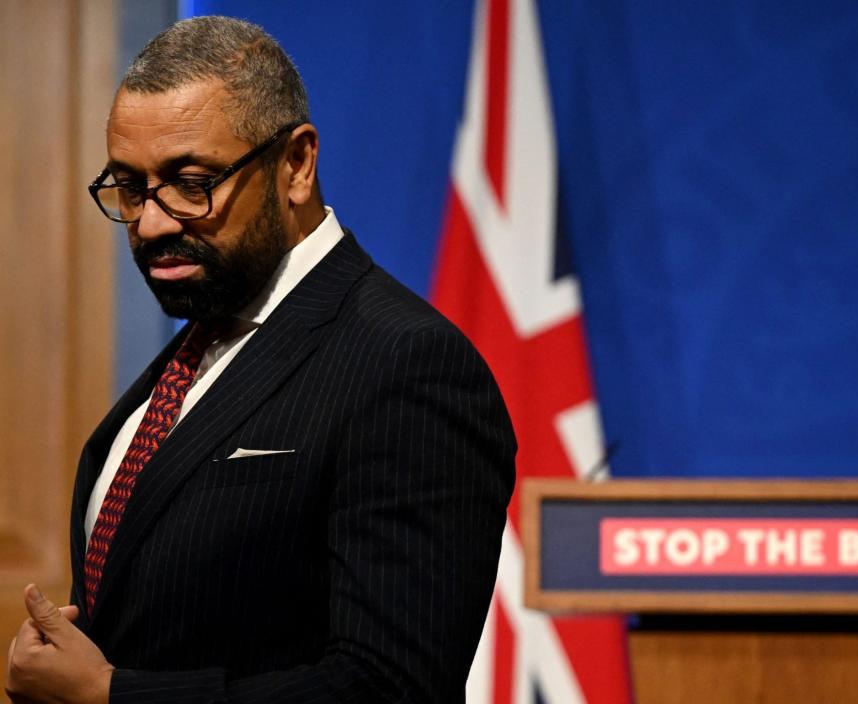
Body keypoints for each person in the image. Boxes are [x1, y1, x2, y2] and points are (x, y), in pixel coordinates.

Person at [4, 15, 516, 704]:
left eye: (191, 182)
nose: (152, 223)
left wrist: (111, 695)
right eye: (129, 187)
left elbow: (390, 687)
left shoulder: (407, 364)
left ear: (296, 165)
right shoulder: (202, 342)